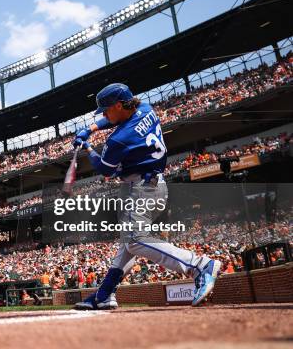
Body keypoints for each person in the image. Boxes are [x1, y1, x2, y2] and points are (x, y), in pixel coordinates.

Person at [72, 83, 221, 310]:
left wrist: (87, 147)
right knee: (128, 243)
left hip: (141, 188)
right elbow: (109, 120)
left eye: (106, 109)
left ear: (120, 105)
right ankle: (104, 294)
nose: (103, 114)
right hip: (153, 185)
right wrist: (91, 128)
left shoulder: (119, 139)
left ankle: (200, 265)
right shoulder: (146, 109)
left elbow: (105, 169)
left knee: (134, 240)